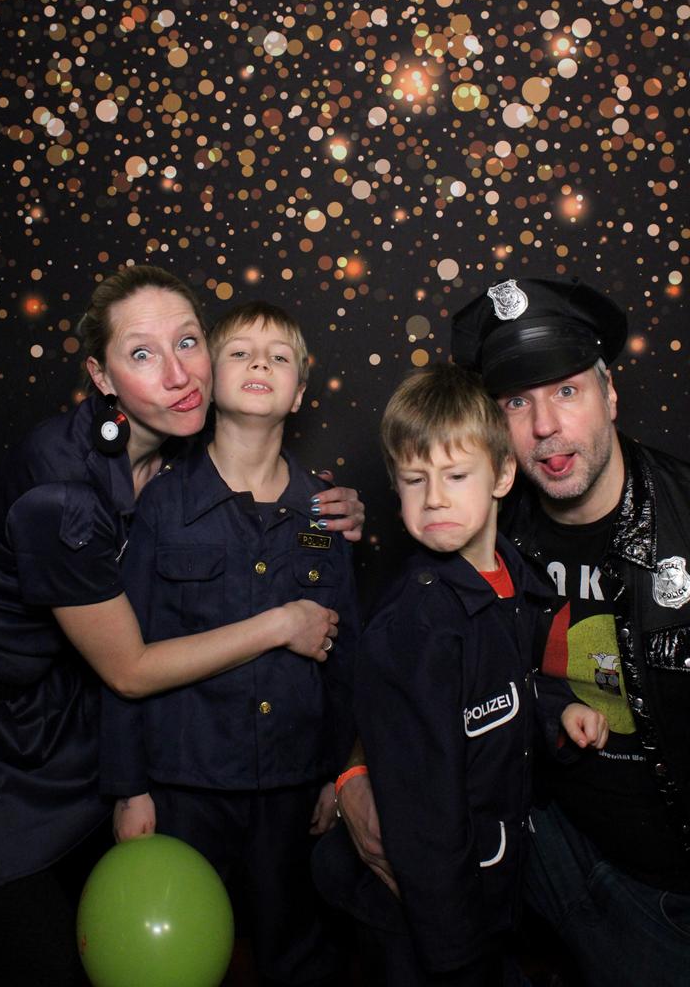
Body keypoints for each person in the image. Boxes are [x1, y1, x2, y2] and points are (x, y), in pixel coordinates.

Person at [0, 265, 363, 987]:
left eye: (188, 342)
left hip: (28, 699)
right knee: (52, 954)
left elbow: (264, 483)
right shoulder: (62, 492)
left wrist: (330, 508)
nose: (177, 374)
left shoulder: (179, 439)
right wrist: (280, 624)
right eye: (142, 354)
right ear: (101, 377)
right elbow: (130, 670)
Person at [339, 276, 690, 986]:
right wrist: (352, 772)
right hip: (535, 838)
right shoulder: (478, 524)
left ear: (610, 395)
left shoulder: (681, 514)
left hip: (660, 874)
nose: (545, 426)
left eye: (567, 390)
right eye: (517, 402)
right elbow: (411, 673)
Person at [317, 363, 607, 986]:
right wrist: (456, 955)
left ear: (502, 475)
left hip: (492, 888)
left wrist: (558, 711)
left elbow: (512, 685)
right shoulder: (415, 631)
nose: (434, 498)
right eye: (414, 480)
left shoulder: (515, 581)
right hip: (425, 920)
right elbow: (424, 817)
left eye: (455, 475)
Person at [100, 301, 360, 987]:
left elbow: (347, 662)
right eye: (240, 352)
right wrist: (129, 789)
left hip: (292, 787)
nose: (260, 364)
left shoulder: (326, 514)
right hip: (184, 783)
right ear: (210, 381)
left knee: (297, 952)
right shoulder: (161, 506)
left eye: (279, 357)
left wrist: (338, 772)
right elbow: (121, 657)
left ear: (298, 393)